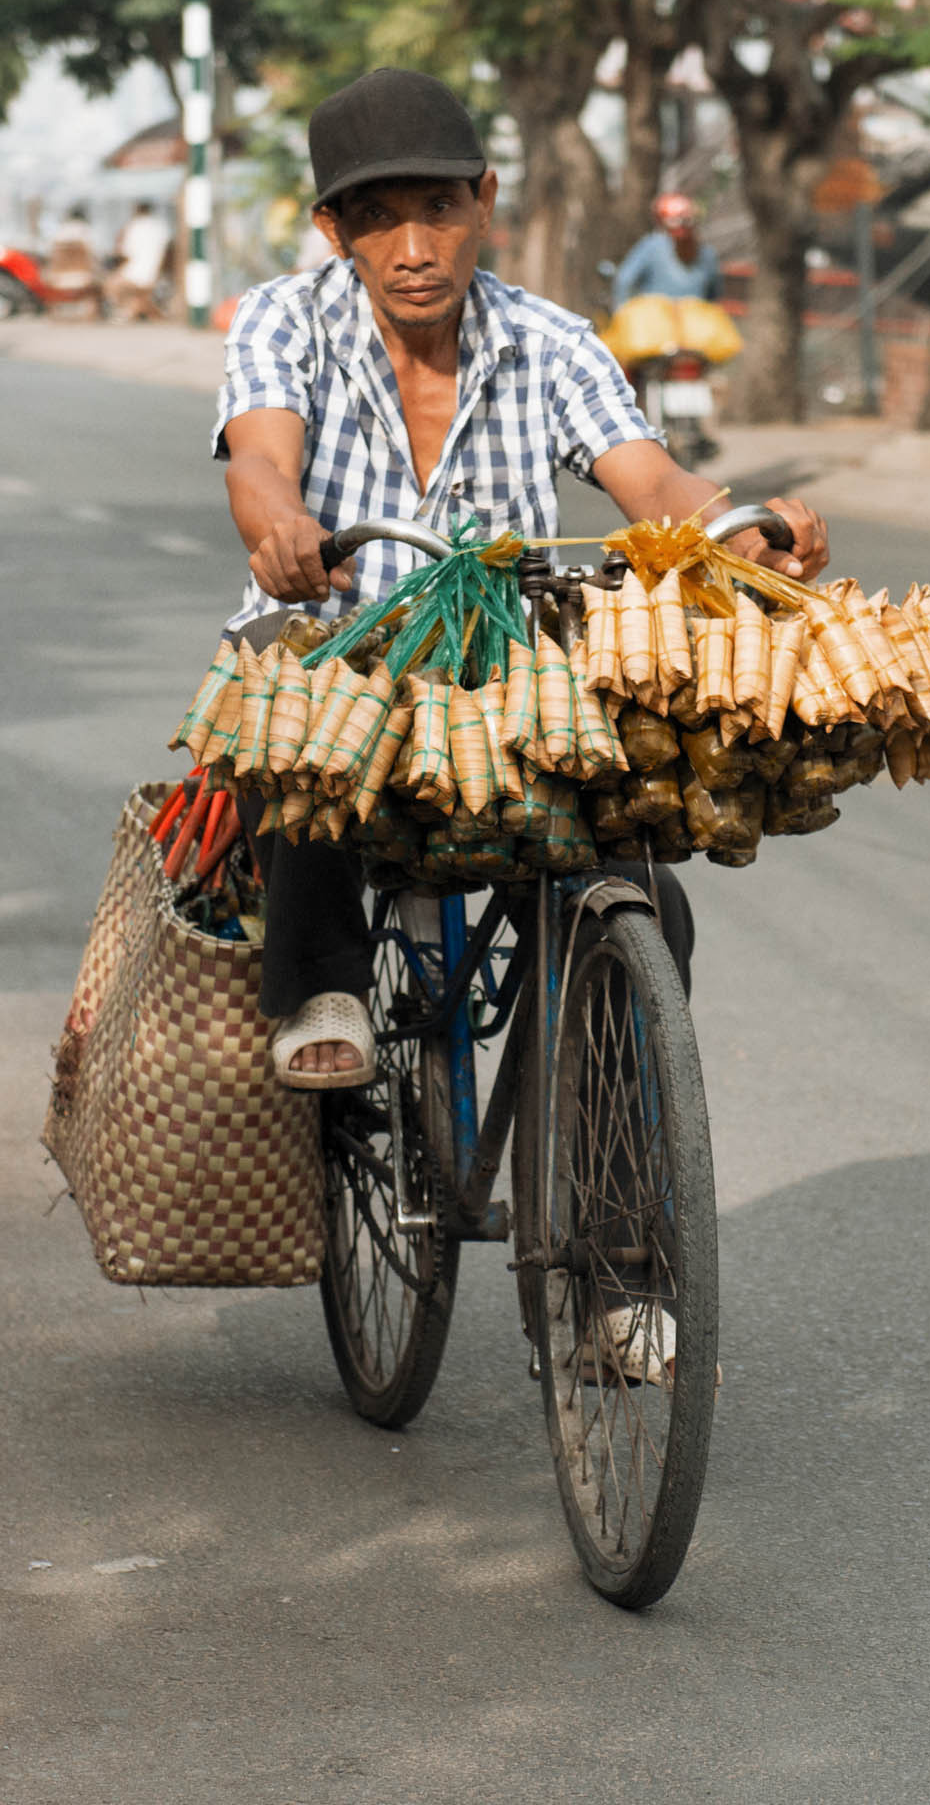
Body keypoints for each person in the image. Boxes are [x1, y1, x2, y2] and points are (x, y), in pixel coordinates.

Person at [215, 68, 826, 1087]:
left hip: (509, 673)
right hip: (336, 647)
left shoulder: (548, 340)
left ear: (484, 203)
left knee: (640, 883)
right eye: (378, 220)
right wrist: (283, 530)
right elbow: (259, 461)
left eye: (439, 211)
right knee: (289, 739)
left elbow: (654, 478)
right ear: (334, 231)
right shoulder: (284, 321)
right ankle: (326, 984)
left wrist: (742, 533)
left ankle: (604, 1120)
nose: (414, 250)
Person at [612, 192, 721, 309]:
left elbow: (625, 280)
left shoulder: (652, 246)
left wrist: (622, 312)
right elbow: (714, 294)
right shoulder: (707, 252)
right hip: (689, 321)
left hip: (659, 321)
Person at [108, 198, 173, 321]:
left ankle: (130, 310)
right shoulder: (161, 227)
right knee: (136, 292)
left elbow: (125, 253)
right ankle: (137, 309)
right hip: (156, 273)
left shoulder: (134, 226)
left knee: (110, 285)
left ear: (136, 211)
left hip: (136, 273)